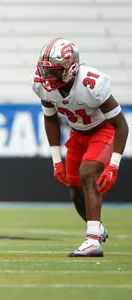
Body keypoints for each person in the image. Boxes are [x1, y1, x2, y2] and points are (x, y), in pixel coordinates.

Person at [32, 38, 129, 257]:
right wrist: (56, 161)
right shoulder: (42, 85)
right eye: (46, 71)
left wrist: (113, 165)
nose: (47, 77)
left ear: (70, 68)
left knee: (87, 173)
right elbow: (50, 119)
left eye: (54, 71)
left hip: (103, 130)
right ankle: (96, 228)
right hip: (77, 133)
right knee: (75, 191)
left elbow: (121, 125)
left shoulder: (91, 83)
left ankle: (92, 241)